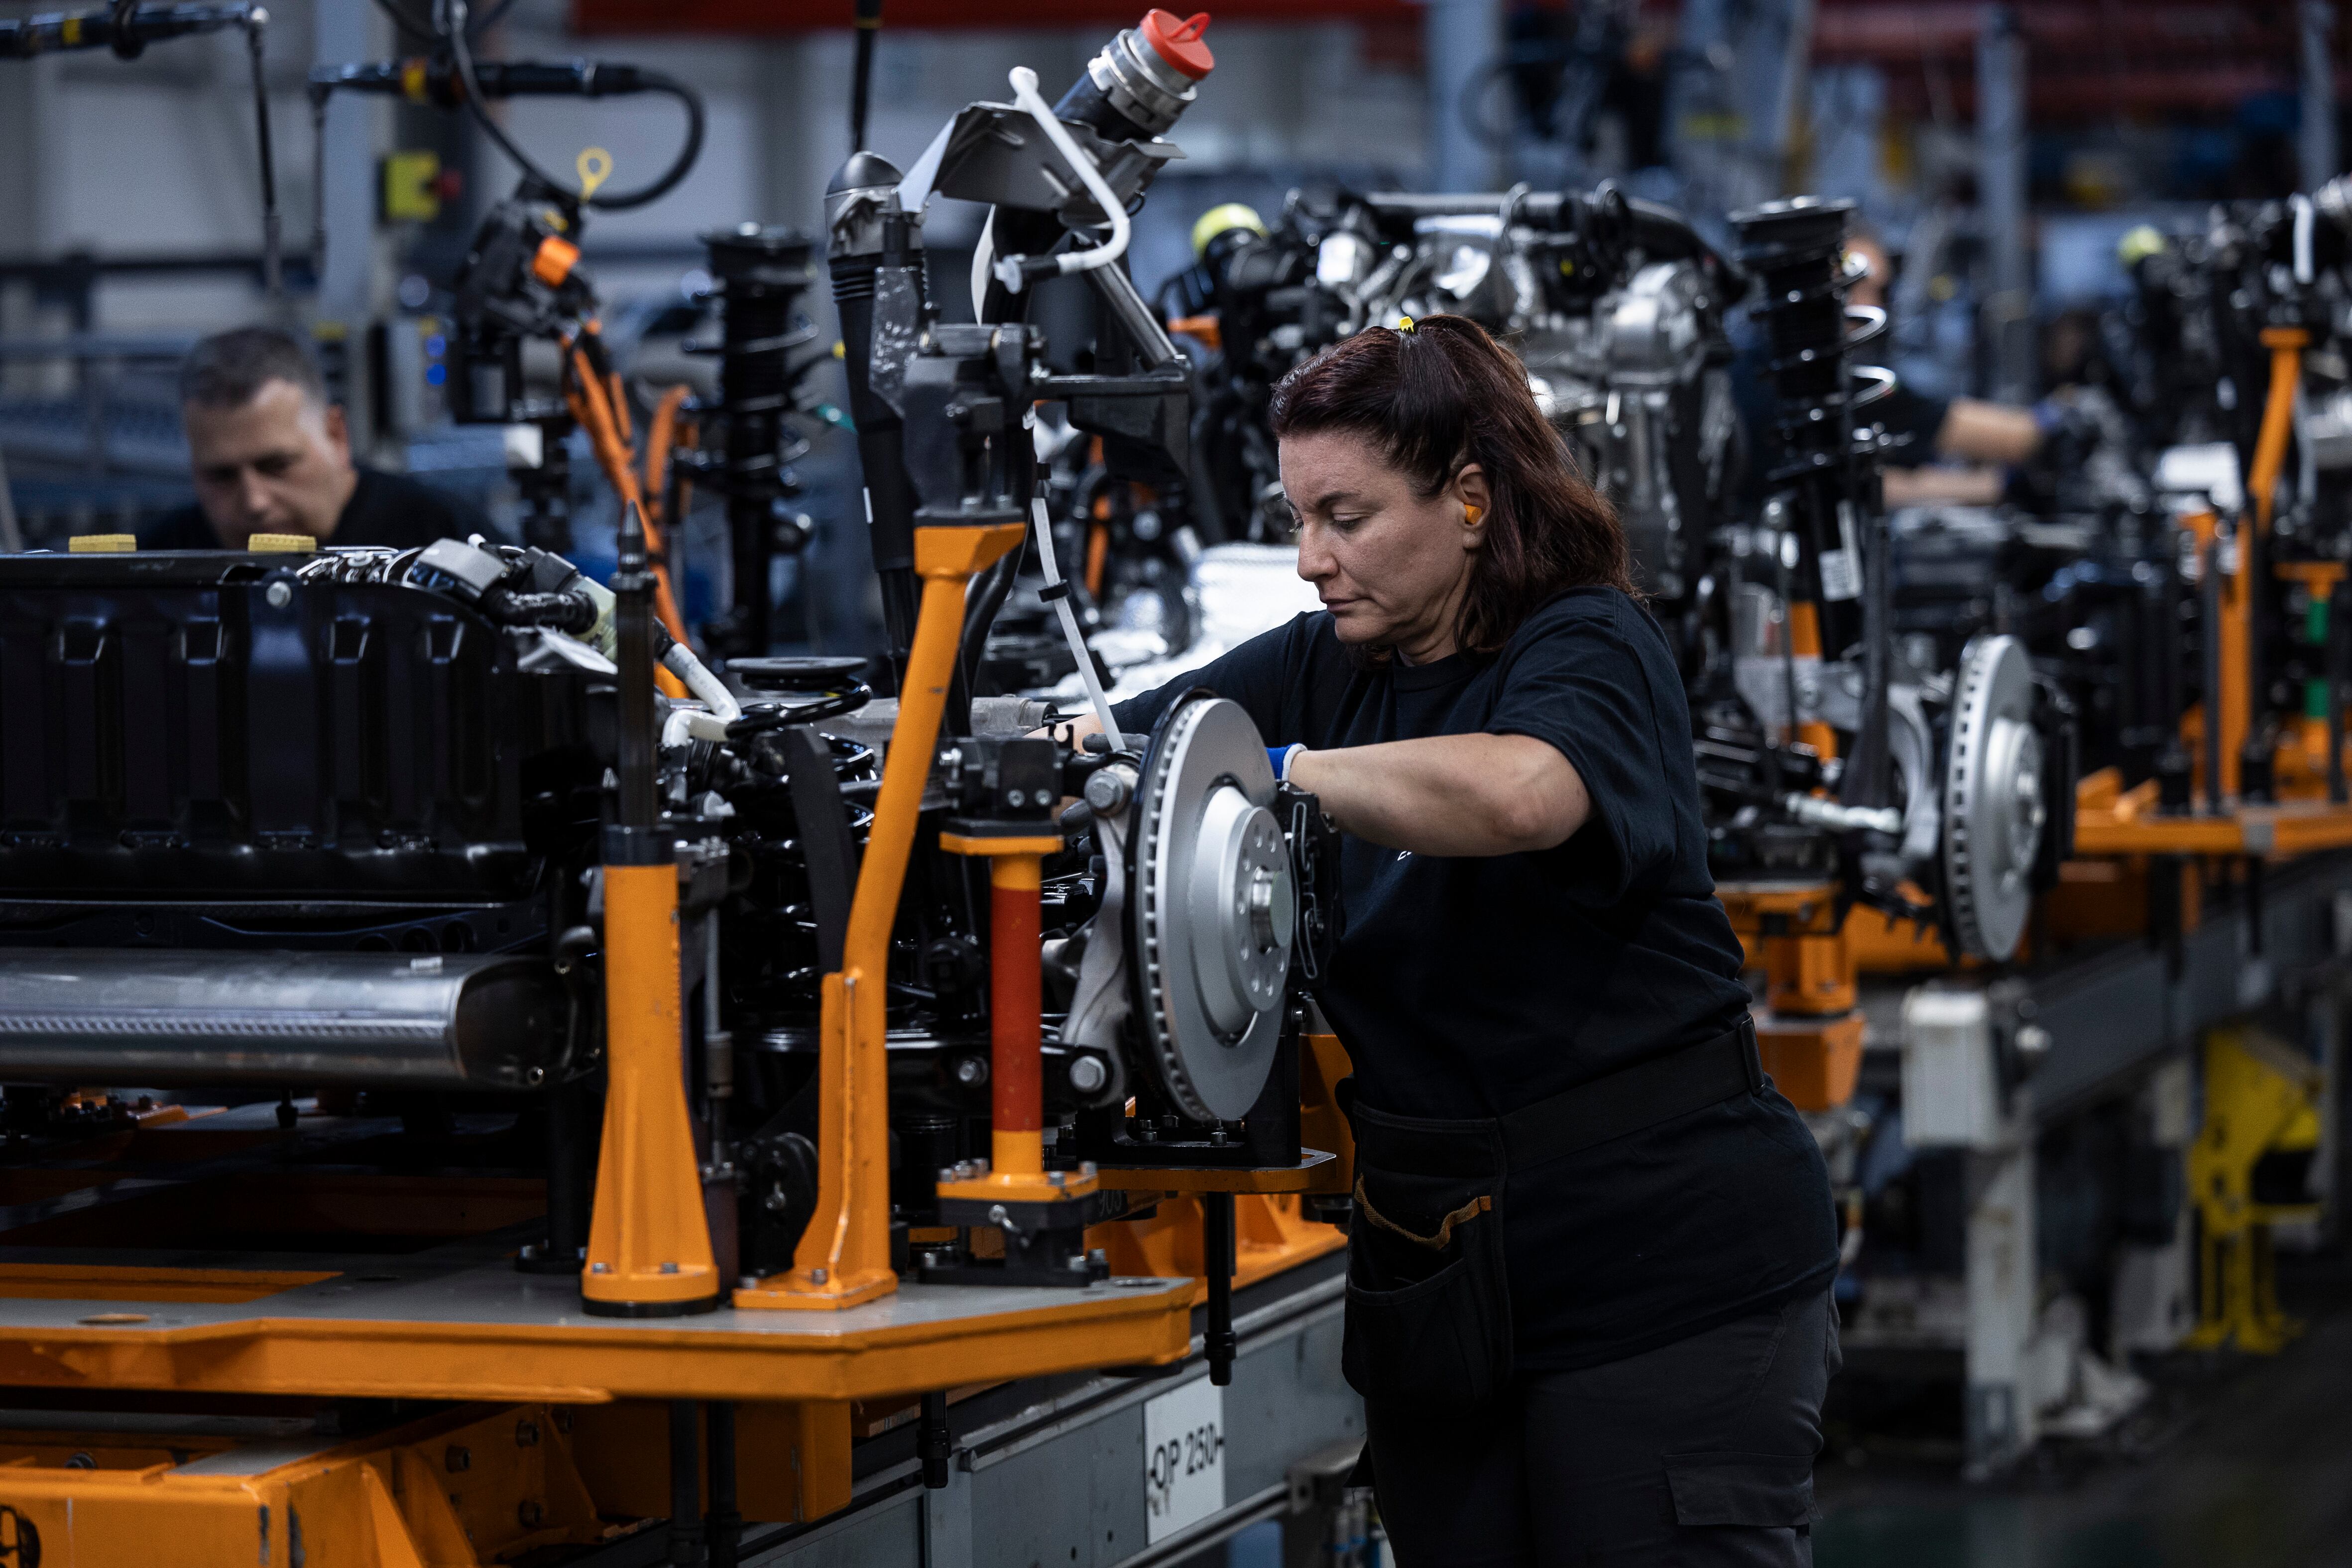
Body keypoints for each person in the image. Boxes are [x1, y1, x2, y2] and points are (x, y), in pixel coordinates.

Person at [1089, 316, 1840, 1565]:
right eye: (1294, 518)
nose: (1309, 560)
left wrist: (1273, 773)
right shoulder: (1328, 659)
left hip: (1659, 1269)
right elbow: (1128, 748)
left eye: (1346, 515)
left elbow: (1518, 795)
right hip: (1444, 1279)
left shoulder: (1582, 640)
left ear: (1472, 497)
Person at [142, 325, 491, 550]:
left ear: (336, 434)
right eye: (220, 475)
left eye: (277, 465)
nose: (254, 502)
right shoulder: (155, 572)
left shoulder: (446, 539)